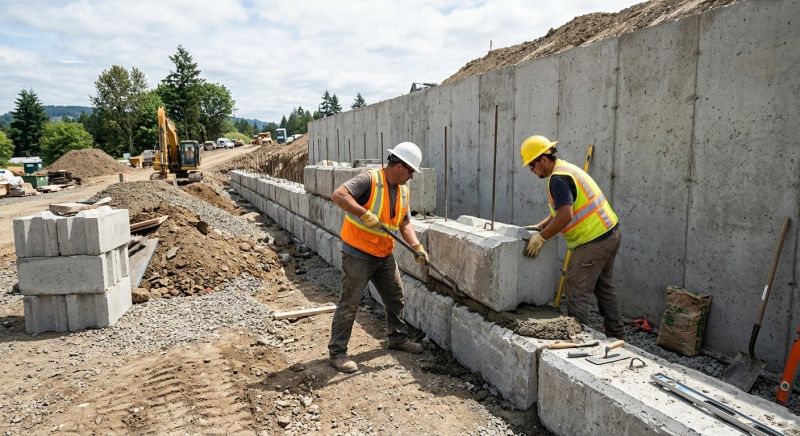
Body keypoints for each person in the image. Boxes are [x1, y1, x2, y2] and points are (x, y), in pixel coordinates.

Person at [327, 142, 430, 373]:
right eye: (411, 171)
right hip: (358, 253)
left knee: (396, 296)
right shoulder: (369, 179)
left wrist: (417, 246)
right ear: (400, 166)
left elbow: (404, 222)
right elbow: (339, 195)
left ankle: (397, 338)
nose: (412, 176)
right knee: (350, 302)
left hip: (384, 253)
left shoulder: (403, 189)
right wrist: (364, 213)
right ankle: (337, 353)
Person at [520, 135, 625, 339]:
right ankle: (617, 336)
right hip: (609, 233)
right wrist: (540, 226)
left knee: (576, 291)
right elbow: (560, 211)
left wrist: (541, 237)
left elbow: (565, 215)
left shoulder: (558, 179)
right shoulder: (565, 169)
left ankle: (576, 341)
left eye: (532, 165)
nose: (532, 171)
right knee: (604, 288)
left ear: (543, 159)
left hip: (592, 241)